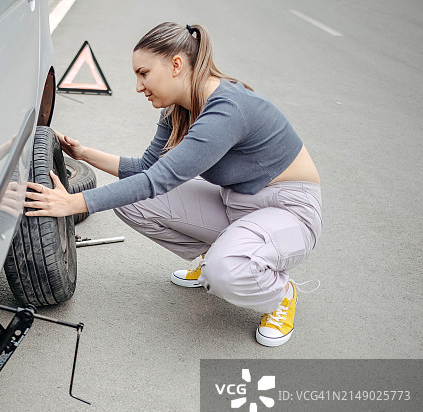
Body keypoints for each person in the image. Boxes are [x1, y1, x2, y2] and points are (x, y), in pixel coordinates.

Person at [23, 22, 322, 347]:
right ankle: (220, 254)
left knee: (223, 273)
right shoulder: (177, 110)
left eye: (144, 73)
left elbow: (161, 179)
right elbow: (146, 169)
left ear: (176, 65)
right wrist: (84, 154)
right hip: (235, 204)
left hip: (288, 211)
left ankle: (279, 294)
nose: (139, 86)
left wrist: (75, 202)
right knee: (128, 199)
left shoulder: (227, 110)